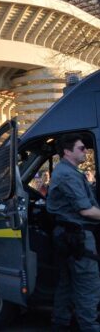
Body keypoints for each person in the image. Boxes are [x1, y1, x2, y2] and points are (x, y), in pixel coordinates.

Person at [46, 134, 100, 331]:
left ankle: (60, 323)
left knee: (67, 284)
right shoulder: (68, 174)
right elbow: (85, 210)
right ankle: (90, 327)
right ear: (67, 152)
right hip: (77, 236)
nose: (86, 151)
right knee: (88, 285)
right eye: (82, 148)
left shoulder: (67, 171)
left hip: (67, 236)